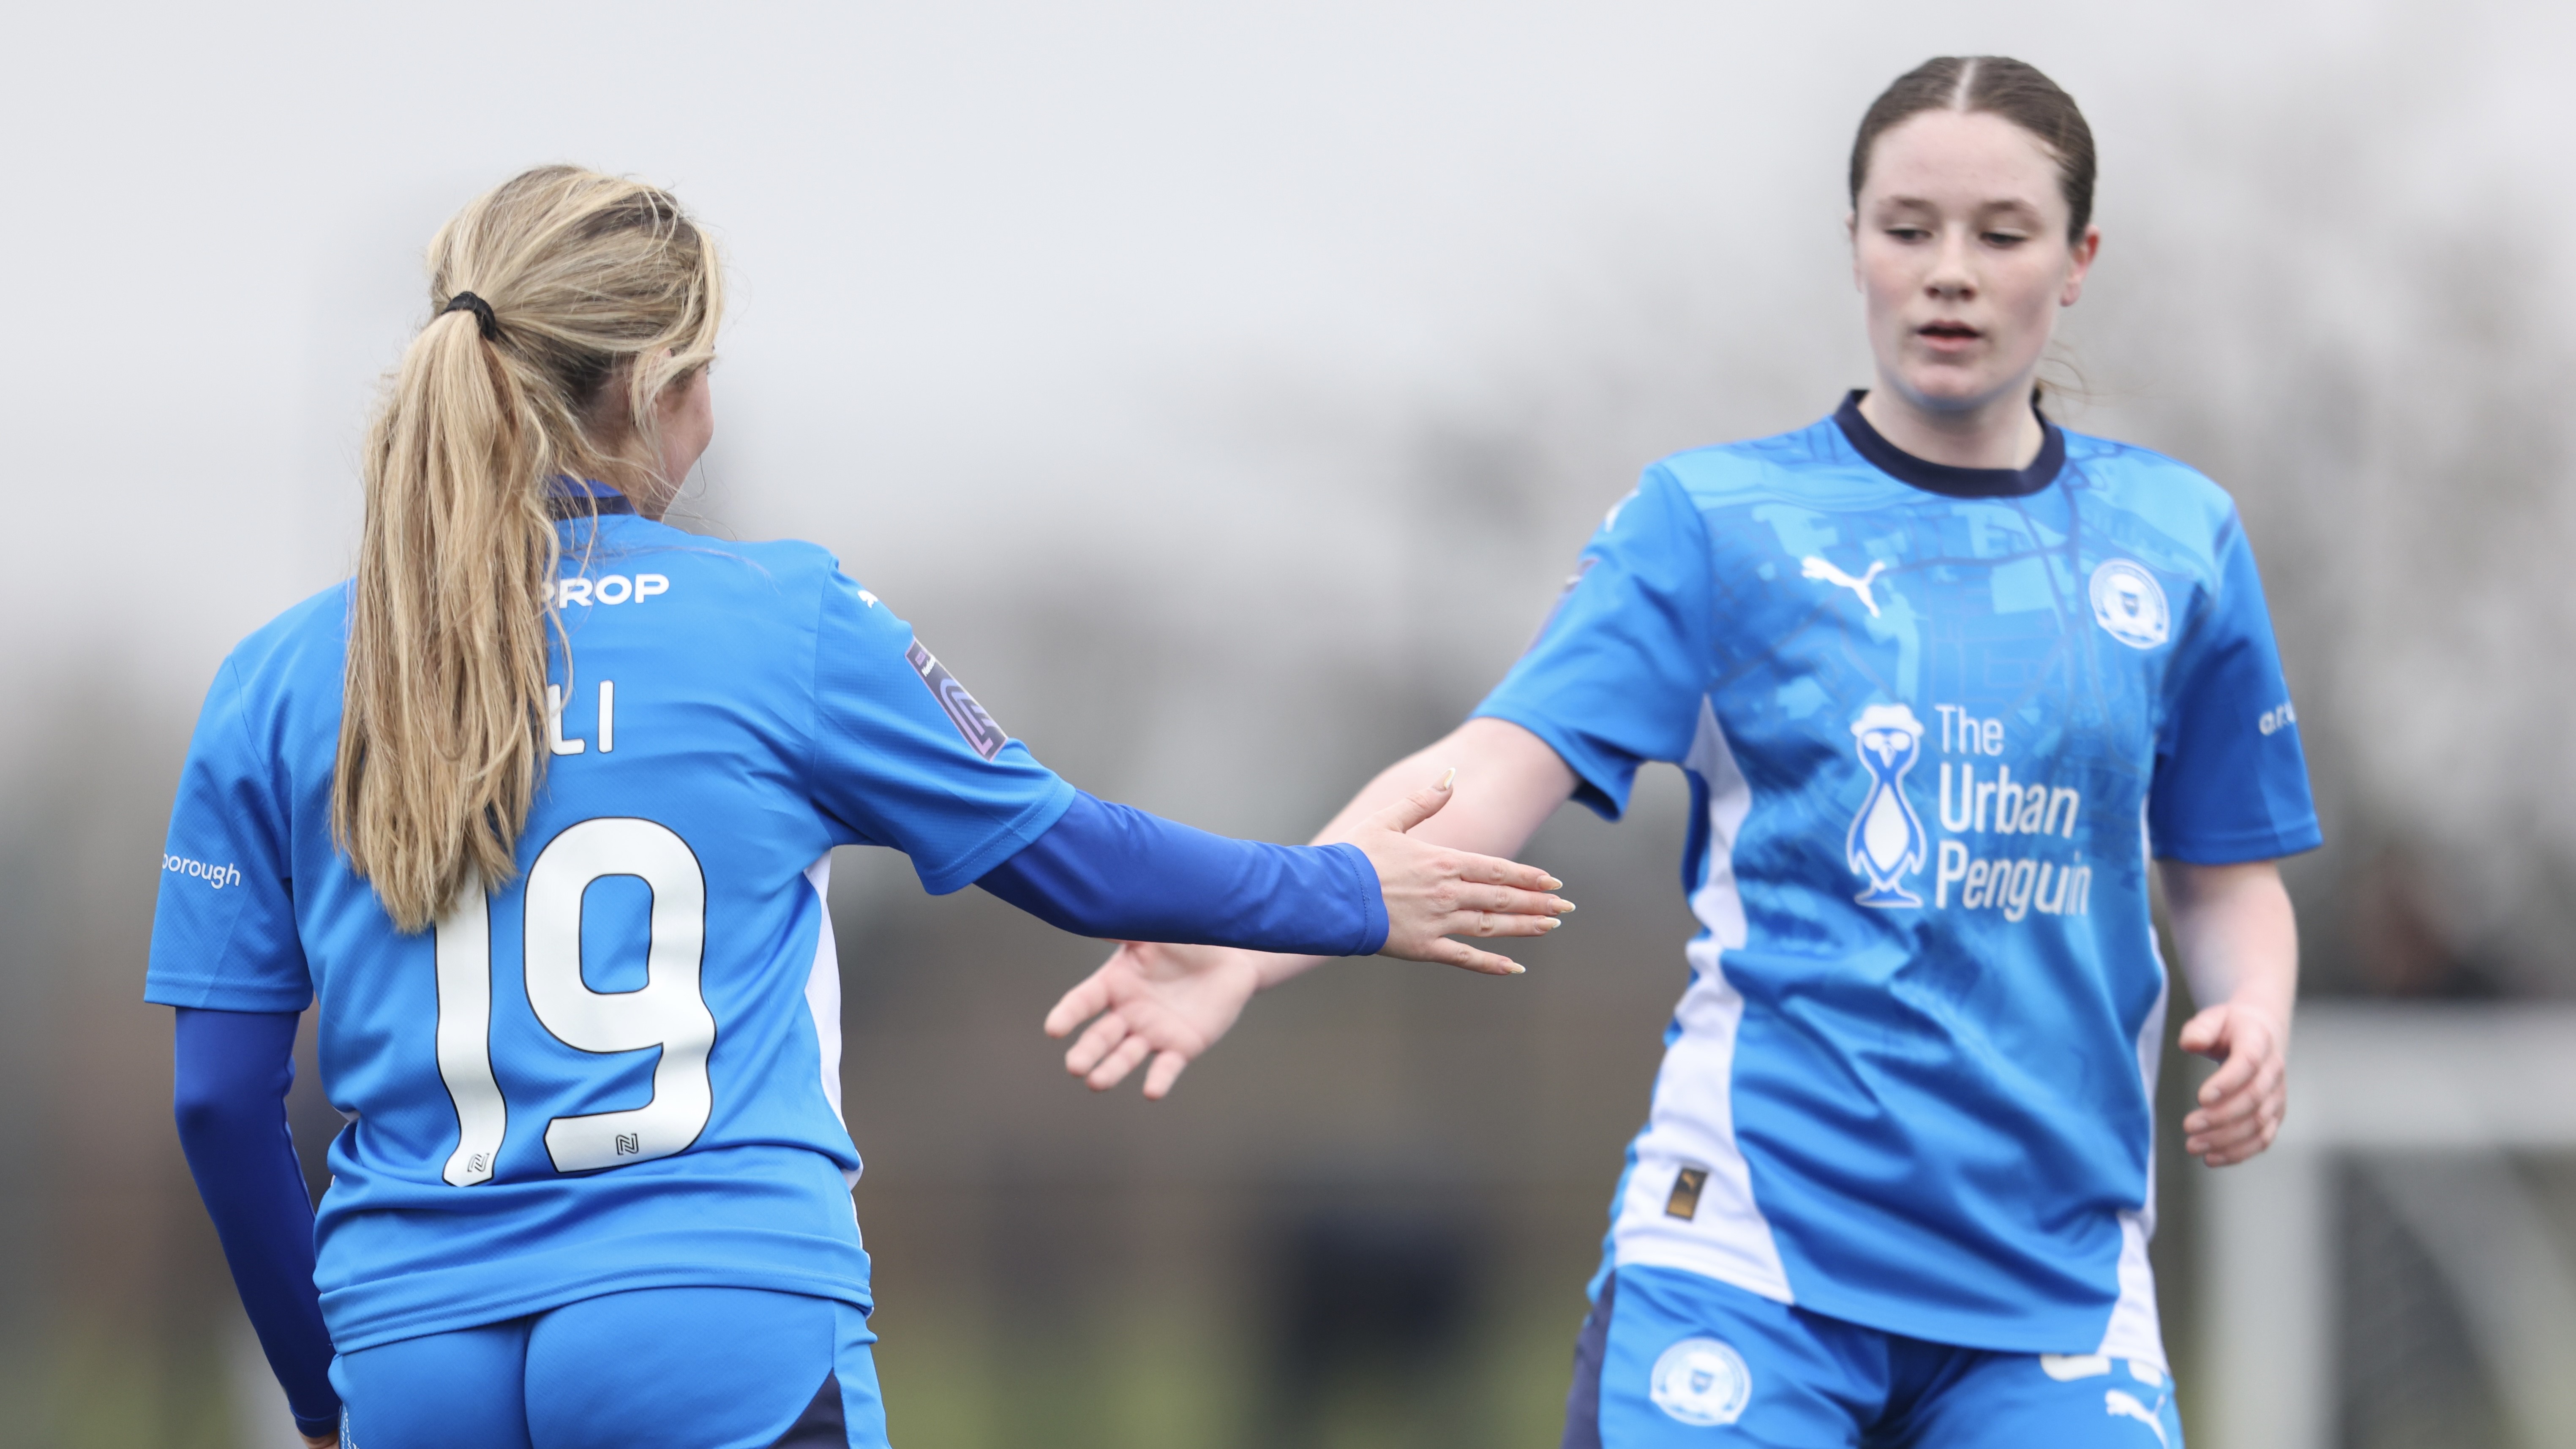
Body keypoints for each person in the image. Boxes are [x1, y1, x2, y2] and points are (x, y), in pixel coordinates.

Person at [147, 166, 1574, 1449]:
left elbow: (221, 1100)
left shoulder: (278, 681)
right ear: (655, 389)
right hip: (714, 1315)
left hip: (414, 1344)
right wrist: (1346, 893)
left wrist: (325, 1394)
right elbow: (1067, 856)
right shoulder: (785, 619)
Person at [1046, 56, 2315, 1446]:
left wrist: (2250, 1004)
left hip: (2058, 1286)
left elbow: (2222, 862)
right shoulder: (1718, 521)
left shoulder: (2175, 538)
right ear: (1854, 248)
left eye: (1999, 234)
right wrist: (1252, 928)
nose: (1949, 270)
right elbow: (1492, 768)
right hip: (1750, 1260)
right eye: (1907, 229)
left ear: (2074, 260)